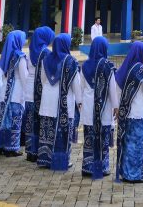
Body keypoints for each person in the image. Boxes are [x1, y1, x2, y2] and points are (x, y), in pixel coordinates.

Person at [36, 33, 82, 171]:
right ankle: (61, 161)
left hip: (47, 99)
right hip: (63, 102)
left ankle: (45, 159)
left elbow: (43, 79)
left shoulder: (46, 59)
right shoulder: (71, 61)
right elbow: (76, 84)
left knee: (46, 130)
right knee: (63, 131)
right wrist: (80, 101)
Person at [0, 30, 29, 157]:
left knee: (5, 122)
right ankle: (12, 148)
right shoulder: (20, 56)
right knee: (15, 122)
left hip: (5, 93)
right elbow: (25, 78)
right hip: (16, 93)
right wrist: (28, 93)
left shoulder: (6, 56)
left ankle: (2, 145)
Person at [115, 41, 143, 183]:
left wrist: (117, 108)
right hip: (140, 114)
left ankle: (125, 172)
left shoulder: (124, 68)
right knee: (138, 145)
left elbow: (117, 91)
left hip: (126, 114)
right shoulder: (142, 71)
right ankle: (135, 175)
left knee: (127, 144)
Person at [81, 36, 120, 178]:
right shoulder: (107, 66)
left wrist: (80, 102)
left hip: (88, 105)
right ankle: (102, 167)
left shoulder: (85, 65)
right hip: (103, 107)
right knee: (102, 137)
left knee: (89, 137)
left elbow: (82, 87)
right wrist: (116, 106)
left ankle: (88, 166)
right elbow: (112, 89)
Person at [25, 25, 55, 161]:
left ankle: (30, 150)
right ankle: (39, 151)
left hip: (29, 90)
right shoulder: (46, 53)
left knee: (32, 121)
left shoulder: (29, 51)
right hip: (41, 91)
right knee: (40, 121)